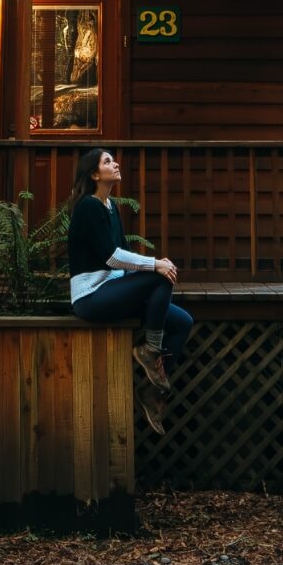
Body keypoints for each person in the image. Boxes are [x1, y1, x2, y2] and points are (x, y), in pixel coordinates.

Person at [67, 147, 193, 435]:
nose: (116, 163)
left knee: (182, 322)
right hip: (90, 297)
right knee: (160, 276)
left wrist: (143, 285)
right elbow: (112, 257)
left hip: (112, 289)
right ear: (95, 174)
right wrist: (154, 264)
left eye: (114, 159)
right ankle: (149, 351)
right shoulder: (88, 206)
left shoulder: (110, 206)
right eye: (108, 161)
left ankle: (153, 391)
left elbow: (121, 258)